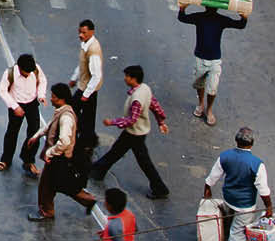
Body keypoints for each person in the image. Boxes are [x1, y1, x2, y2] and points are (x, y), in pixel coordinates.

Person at [89, 65, 169, 199]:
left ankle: (159, 187)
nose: (125, 79)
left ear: (133, 79)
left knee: (142, 160)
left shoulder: (136, 98)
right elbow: (154, 105)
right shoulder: (145, 89)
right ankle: (98, 170)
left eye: (127, 76)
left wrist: (113, 122)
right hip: (137, 131)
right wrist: (161, 121)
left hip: (135, 133)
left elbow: (132, 120)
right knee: (117, 151)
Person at [26, 83, 99, 221]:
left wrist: (50, 152)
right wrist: (37, 136)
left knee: (46, 186)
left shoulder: (66, 118)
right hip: (59, 158)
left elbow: (64, 141)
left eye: (53, 97)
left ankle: (47, 211)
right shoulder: (62, 111)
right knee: (65, 185)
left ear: (61, 99)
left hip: (58, 158)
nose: (51, 99)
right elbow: (50, 126)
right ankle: (88, 200)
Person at [178, 5, 247, 126]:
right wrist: (182, 9)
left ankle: (209, 110)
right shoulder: (202, 17)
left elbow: (240, 25)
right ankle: (201, 104)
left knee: (212, 88)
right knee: (200, 84)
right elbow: (182, 18)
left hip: (215, 60)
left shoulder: (218, 19)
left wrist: (243, 18)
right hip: (200, 57)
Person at [204, 127, 274, 241]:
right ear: (252, 143)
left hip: (228, 198)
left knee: (228, 220)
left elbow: (213, 176)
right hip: (245, 206)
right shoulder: (257, 164)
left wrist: (207, 189)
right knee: (237, 233)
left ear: (236, 141)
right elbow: (263, 190)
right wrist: (269, 207)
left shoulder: (225, 156)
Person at [0, 53, 47, 174]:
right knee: (12, 132)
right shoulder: (9, 73)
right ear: (19, 67)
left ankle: (28, 161)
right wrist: (14, 107)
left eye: (30, 72)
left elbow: (42, 81)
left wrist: (41, 95)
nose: (28, 74)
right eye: (25, 72)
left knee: (34, 133)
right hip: (16, 104)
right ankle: (6, 159)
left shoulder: (35, 69)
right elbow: (2, 91)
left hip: (32, 104)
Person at [70, 19, 103, 146]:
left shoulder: (93, 50)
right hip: (85, 85)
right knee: (88, 115)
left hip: (88, 88)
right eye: (79, 32)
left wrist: (86, 94)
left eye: (84, 32)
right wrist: (74, 78)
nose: (80, 35)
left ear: (91, 32)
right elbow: (83, 65)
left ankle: (83, 139)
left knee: (72, 110)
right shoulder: (86, 44)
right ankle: (88, 137)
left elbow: (96, 75)